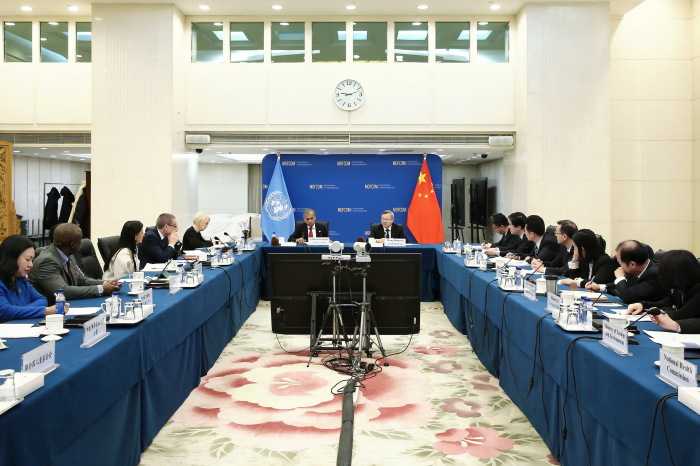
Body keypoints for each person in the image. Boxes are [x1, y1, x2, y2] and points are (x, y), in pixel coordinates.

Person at [30, 223, 120, 302]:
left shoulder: (66, 253)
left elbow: (82, 280)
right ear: (72, 244)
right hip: (51, 310)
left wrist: (105, 283)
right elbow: (63, 292)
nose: (81, 244)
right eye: (79, 241)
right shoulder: (47, 261)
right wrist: (101, 289)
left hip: (70, 303)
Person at [626, 250, 700, 333]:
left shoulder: (697, 288)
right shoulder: (681, 286)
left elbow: (683, 313)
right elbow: (668, 302)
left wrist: (672, 322)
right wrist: (643, 305)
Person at [586, 240, 663, 304]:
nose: (619, 267)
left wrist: (620, 278)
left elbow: (628, 297)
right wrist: (600, 287)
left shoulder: (654, 275)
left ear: (632, 264)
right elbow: (625, 286)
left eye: (620, 263)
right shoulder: (638, 269)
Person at [0, 235, 56, 322]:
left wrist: (19, 310)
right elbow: (4, 311)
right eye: (27, 259)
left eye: (32, 260)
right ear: (12, 258)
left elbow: (42, 300)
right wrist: (45, 311)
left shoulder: (21, 279)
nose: (31, 265)